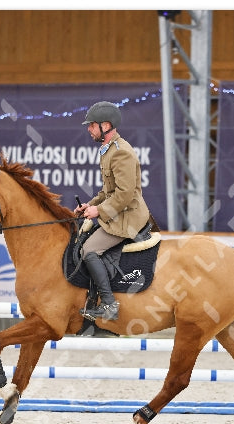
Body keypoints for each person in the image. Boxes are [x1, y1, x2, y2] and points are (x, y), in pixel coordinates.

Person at [74, 101, 150, 321]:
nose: (88, 129)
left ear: (105, 125)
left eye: (92, 125)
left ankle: (109, 305)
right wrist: (90, 205)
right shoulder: (107, 150)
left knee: (88, 250)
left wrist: (99, 211)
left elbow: (125, 194)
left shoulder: (120, 152)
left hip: (128, 217)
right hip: (117, 211)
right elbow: (109, 191)